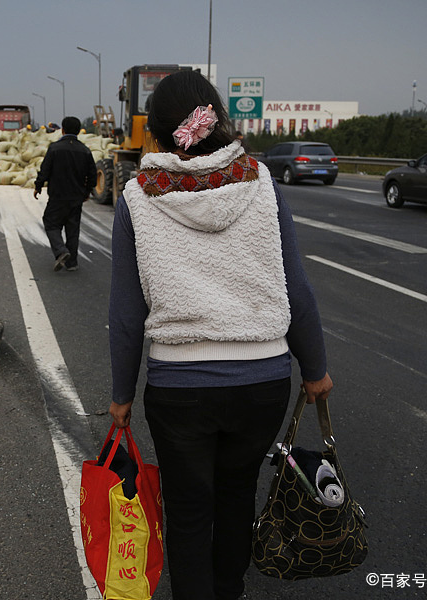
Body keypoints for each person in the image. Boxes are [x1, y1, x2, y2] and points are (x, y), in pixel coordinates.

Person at [108, 70, 333, 600]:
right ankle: (229, 591)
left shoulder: (139, 196)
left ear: (157, 134)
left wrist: (122, 394)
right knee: (236, 496)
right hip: (263, 381)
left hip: (179, 387)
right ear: (214, 118)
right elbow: (295, 286)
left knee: (188, 508)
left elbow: (125, 312)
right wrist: (316, 368)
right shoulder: (260, 181)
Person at [34, 116, 97, 271]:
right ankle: (72, 263)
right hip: (76, 197)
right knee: (72, 229)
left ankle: (61, 251)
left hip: (57, 195)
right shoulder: (85, 150)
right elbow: (93, 175)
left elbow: (45, 170)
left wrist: (38, 186)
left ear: (62, 130)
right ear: (78, 131)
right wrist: (87, 191)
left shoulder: (55, 148)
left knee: (51, 223)